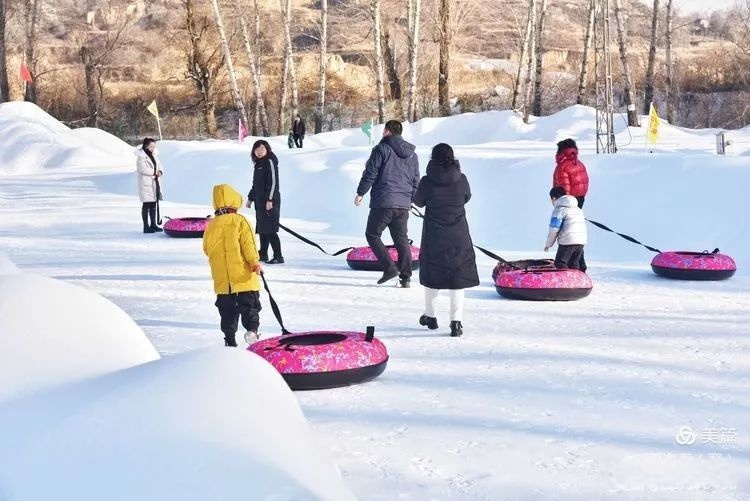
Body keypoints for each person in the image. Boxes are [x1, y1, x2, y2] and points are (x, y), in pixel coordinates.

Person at [413, 144, 479, 338]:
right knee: (457, 277)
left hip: (435, 236)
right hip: (458, 234)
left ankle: (431, 317)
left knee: (432, 275)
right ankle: (456, 322)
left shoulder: (427, 181)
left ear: (433, 159)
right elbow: (466, 197)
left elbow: (418, 201)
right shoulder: (462, 179)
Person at [354, 119, 420, 287]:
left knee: (372, 235)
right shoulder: (413, 155)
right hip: (403, 204)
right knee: (401, 240)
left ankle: (389, 267)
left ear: (388, 131)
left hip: (384, 201)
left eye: (384, 130)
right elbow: (415, 180)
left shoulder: (381, 149)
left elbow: (371, 173)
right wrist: (412, 199)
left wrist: (361, 192)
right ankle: (406, 277)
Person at [203, 184, 263, 347]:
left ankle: (229, 337)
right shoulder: (240, 221)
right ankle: (252, 330)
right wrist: (254, 263)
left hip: (223, 280)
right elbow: (248, 245)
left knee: (227, 310)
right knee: (249, 305)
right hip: (242, 276)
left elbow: (206, 250)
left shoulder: (211, 225)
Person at [552, 138, 589, 269]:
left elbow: (564, 187)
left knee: (569, 234)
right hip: (579, 199)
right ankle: (579, 264)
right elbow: (585, 182)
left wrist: (562, 203)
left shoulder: (562, 166)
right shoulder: (578, 163)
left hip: (567, 202)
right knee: (576, 231)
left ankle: (570, 264)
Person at [246, 140, 284, 264]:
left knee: (270, 229)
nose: (259, 151)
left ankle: (278, 256)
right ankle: (263, 254)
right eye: (257, 149)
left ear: (267, 149)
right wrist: (250, 198)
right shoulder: (258, 164)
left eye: (262, 148)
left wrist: (270, 200)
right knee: (262, 229)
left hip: (270, 201)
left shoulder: (270, 162)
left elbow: (273, 183)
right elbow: (255, 184)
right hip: (260, 201)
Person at [545, 186, 587, 271]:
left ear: (553, 198)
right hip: (580, 242)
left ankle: (566, 283)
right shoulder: (577, 209)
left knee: (560, 263)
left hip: (568, 241)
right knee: (574, 265)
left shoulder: (559, 209)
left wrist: (548, 244)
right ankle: (577, 282)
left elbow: (554, 229)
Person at [135, 137, 164, 233]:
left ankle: (153, 224)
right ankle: (146, 226)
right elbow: (142, 169)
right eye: (151, 146)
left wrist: (160, 171)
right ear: (146, 146)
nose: (153, 148)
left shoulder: (154, 155)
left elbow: (159, 165)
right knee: (146, 205)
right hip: (146, 184)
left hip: (154, 183)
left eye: (154, 146)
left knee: (154, 204)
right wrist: (154, 172)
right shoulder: (141, 157)